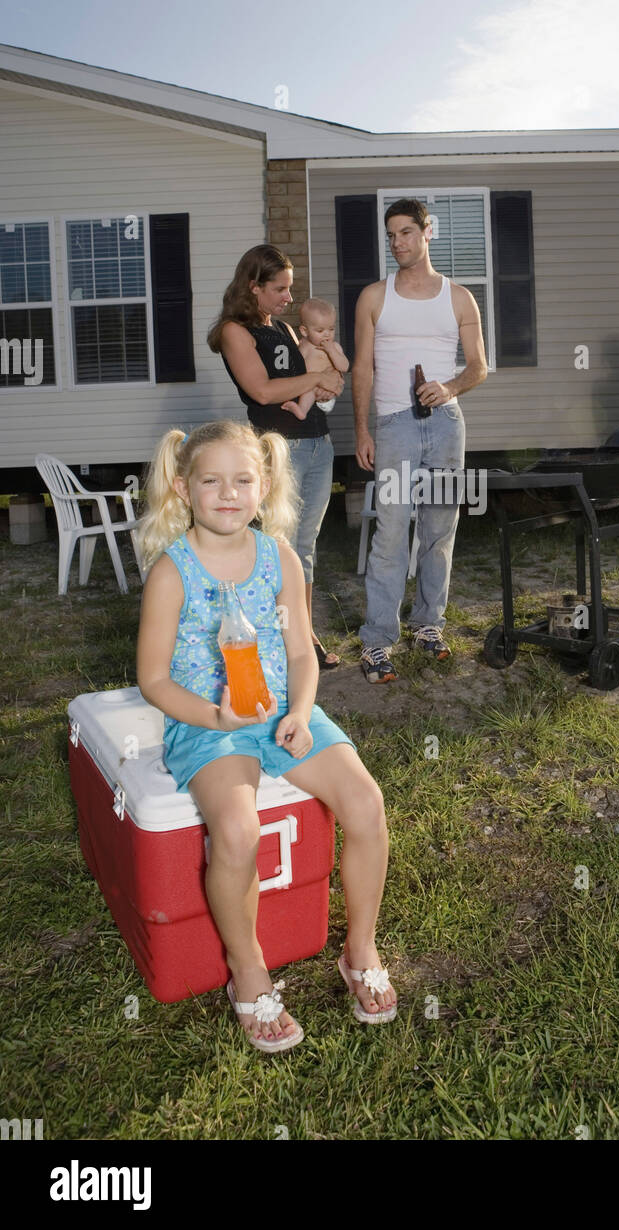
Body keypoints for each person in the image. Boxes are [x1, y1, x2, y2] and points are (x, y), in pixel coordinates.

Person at [136, 421, 397, 1052]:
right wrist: (216, 719)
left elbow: (303, 653)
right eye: (212, 481)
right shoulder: (171, 573)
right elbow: (151, 680)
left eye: (243, 480)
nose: (229, 494)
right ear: (183, 487)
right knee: (239, 829)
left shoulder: (279, 555)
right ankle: (248, 970)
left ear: (265, 486)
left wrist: (302, 712)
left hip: (283, 711)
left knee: (366, 803)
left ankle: (359, 949)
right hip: (208, 724)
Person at [353, 197, 488, 683]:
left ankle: (428, 625)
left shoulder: (458, 297)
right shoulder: (374, 296)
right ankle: (376, 642)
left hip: (446, 424)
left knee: (439, 531)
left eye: (406, 232)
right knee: (390, 534)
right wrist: (362, 428)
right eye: (391, 235)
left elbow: (479, 367)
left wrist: (449, 387)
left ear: (428, 233)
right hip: (394, 426)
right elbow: (362, 369)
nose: (398, 243)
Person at [208, 245, 343, 668]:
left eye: (289, 288)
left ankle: (302, 634)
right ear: (255, 287)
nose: (289, 297)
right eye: (280, 289)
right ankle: (275, 637)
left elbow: (301, 380)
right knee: (278, 546)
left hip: (319, 442)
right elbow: (263, 390)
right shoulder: (235, 330)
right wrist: (316, 377)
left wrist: (323, 384)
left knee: (305, 547)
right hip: (281, 449)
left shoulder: (284, 329)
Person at [281, 298, 349, 420]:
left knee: (311, 388)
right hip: (310, 389)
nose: (327, 334)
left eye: (331, 329)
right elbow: (295, 367)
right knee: (309, 389)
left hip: (329, 392)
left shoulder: (334, 347)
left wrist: (331, 351)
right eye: (320, 330)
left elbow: (344, 366)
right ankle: (302, 411)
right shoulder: (304, 346)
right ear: (304, 331)